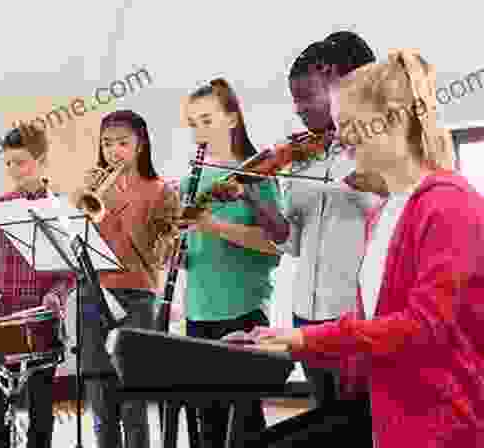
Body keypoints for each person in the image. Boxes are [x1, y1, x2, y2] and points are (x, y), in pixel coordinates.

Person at [225, 49, 484, 447]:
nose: (340, 138)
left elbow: (425, 329)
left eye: (351, 125)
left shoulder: (449, 203)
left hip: (443, 427)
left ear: (395, 121)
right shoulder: (385, 214)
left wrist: (302, 341)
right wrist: (280, 341)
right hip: (390, 418)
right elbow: (377, 328)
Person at [177, 77, 290, 448]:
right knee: (206, 425)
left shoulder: (257, 173)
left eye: (206, 121)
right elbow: (191, 250)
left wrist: (214, 226)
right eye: (193, 124)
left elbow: (275, 247)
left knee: (243, 426)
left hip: (242, 310)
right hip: (199, 312)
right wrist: (175, 253)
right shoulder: (188, 181)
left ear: (231, 119)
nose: (199, 133)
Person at [281, 31, 385, 410]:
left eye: (309, 97)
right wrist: (257, 198)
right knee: (324, 416)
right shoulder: (303, 156)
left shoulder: (373, 148)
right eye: (296, 101)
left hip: (351, 311)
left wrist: (342, 158)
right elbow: (291, 242)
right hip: (305, 311)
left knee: (356, 418)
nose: (300, 109)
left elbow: (380, 214)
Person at [78, 110, 180, 448]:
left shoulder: (162, 191)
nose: (113, 151)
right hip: (95, 296)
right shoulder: (94, 190)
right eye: (107, 144)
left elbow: (157, 256)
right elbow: (75, 244)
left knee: (133, 401)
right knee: (100, 400)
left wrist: (111, 212)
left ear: (140, 145)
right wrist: (84, 200)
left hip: (137, 297)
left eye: (122, 143)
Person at [0, 122, 77, 448]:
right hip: (3, 315)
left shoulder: (61, 208)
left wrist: (55, 295)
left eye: (20, 162)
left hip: (42, 316)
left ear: (42, 160)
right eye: (8, 163)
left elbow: (70, 270)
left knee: (40, 405)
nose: (13, 169)